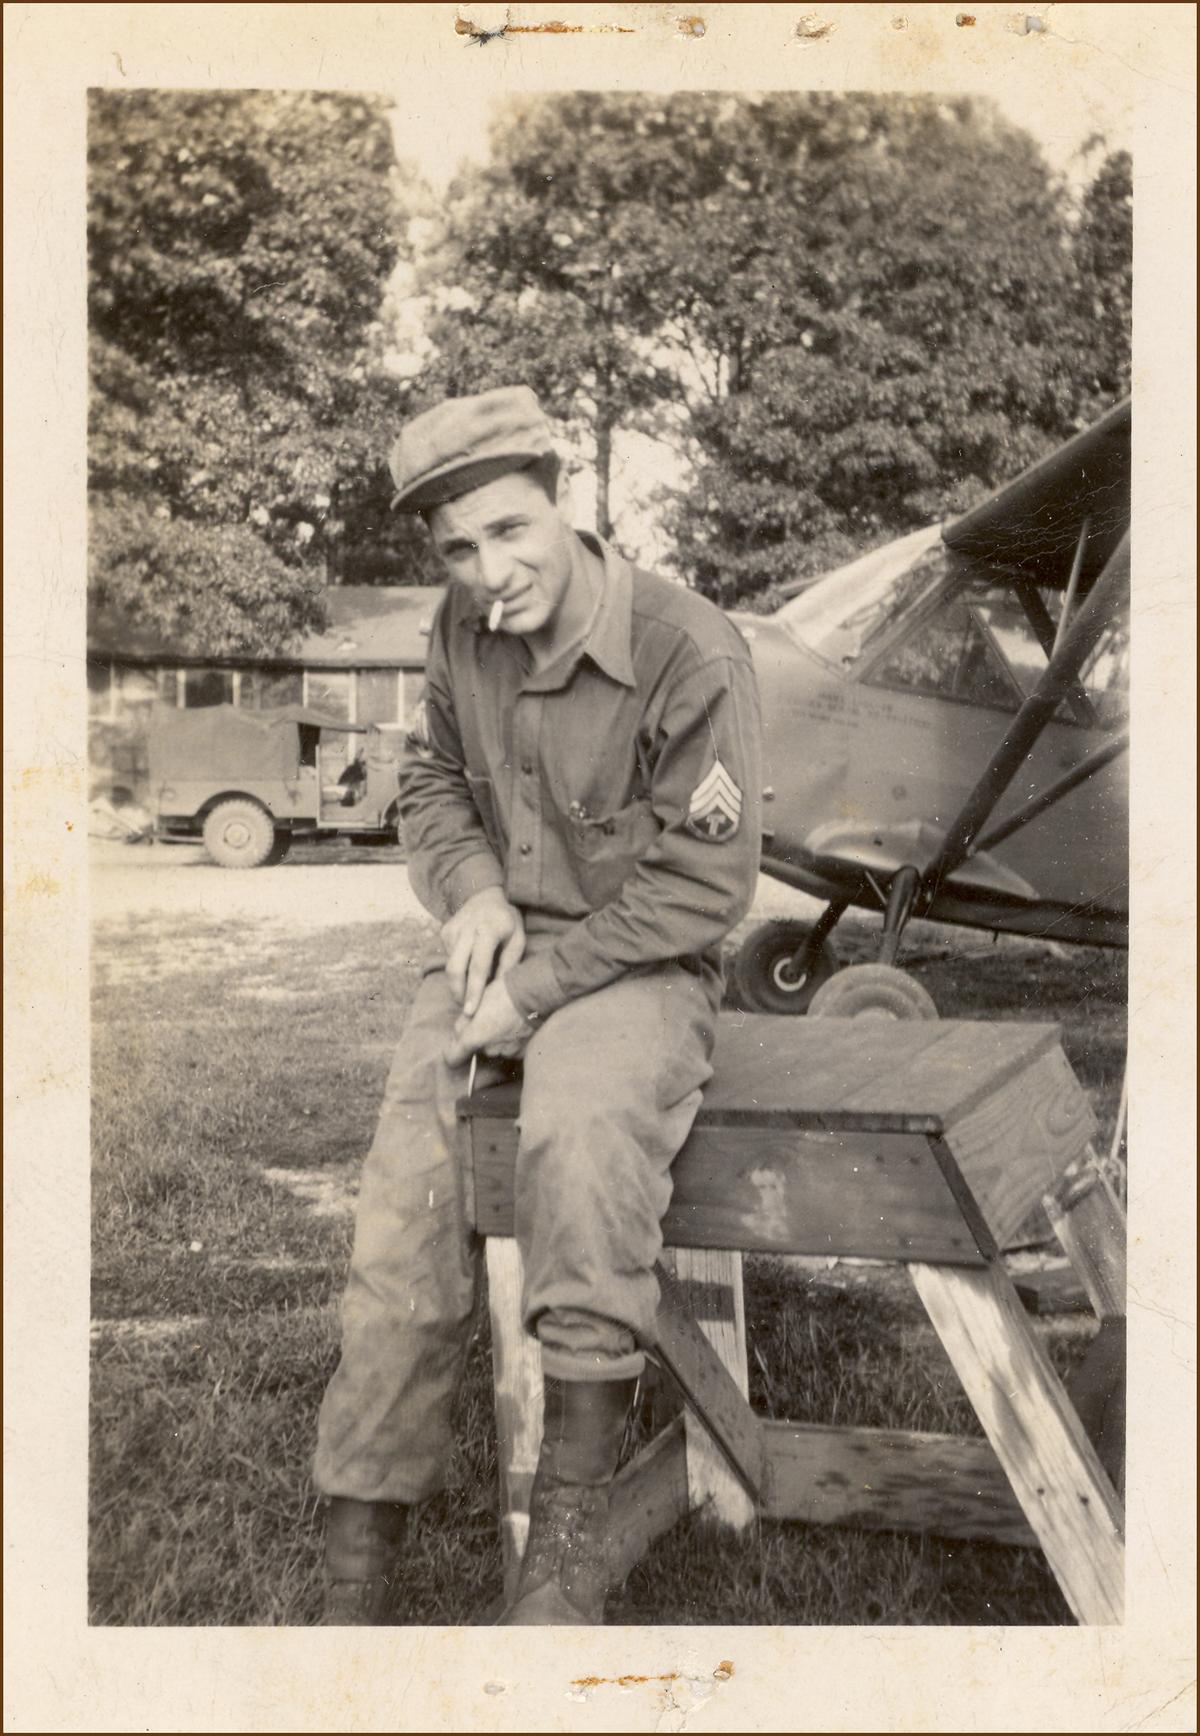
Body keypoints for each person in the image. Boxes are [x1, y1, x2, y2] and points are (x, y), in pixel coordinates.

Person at [313, 385, 763, 1625]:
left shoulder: (689, 646)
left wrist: (537, 989)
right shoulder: (458, 633)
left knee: (574, 1142)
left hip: (639, 962)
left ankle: (568, 1531)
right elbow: (432, 780)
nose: (488, 571)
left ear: (564, 501)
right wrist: (467, 894)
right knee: (406, 1196)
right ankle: (358, 1555)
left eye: (510, 530)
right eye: (457, 548)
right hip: (503, 951)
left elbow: (704, 885)